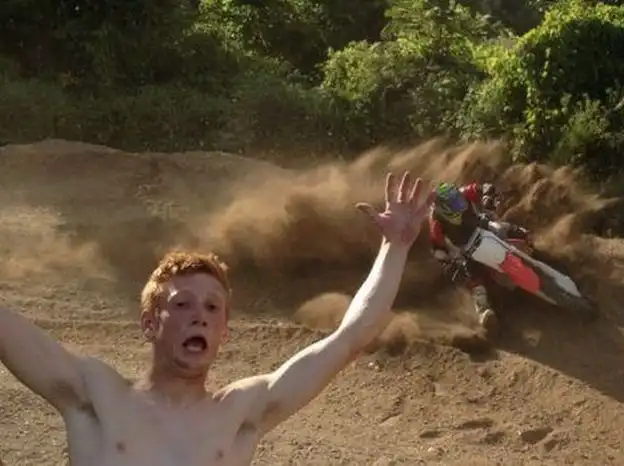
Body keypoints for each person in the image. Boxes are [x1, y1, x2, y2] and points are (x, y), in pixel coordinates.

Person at [0, 170, 434, 465]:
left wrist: (394, 248)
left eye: (212, 307)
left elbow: (352, 336)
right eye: (182, 304)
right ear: (149, 323)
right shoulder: (96, 395)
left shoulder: (239, 413)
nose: (200, 317)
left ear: (224, 332)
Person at [428, 181, 530, 331]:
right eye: (454, 203)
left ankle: (532, 249)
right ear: (444, 208)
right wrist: (447, 263)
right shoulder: (436, 222)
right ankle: (483, 310)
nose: (459, 203)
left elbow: (484, 187)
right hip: (467, 249)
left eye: (457, 198)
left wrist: (487, 196)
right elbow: (437, 248)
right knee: (473, 275)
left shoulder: (463, 192)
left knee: (510, 230)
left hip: (484, 226)